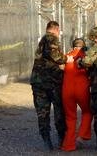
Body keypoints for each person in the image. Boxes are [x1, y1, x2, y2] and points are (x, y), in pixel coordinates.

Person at [30, 21, 73, 151]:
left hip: (38, 82)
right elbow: (56, 56)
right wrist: (67, 59)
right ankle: (61, 138)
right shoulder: (50, 38)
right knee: (59, 110)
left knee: (43, 112)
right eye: (59, 31)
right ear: (56, 29)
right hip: (52, 82)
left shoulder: (43, 40)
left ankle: (47, 140)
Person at [60, 38, 93, 151]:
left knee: (70, 117)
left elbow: (60, 68)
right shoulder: (86, 57)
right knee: (88, 111)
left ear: (73, 46)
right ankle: (83, 135)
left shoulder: (66, 56)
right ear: (83, 46)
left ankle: (68, 145)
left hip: (67, 90)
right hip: (82, 89)